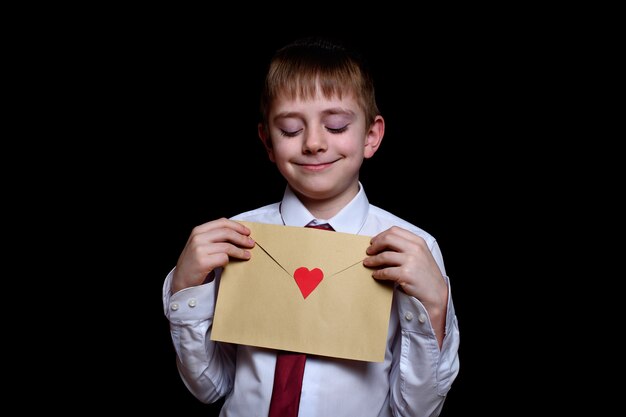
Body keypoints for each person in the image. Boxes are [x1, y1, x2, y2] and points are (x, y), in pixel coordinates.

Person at [162, 36, 460, 417]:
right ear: (268, 142)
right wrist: (186, 288)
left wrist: (435, 307)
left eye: (336, 126)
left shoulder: (413, 247)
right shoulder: (235, 237)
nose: (314, 143)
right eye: (289, 129)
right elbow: (209, 387)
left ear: (371, 135)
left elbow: (417, 410)